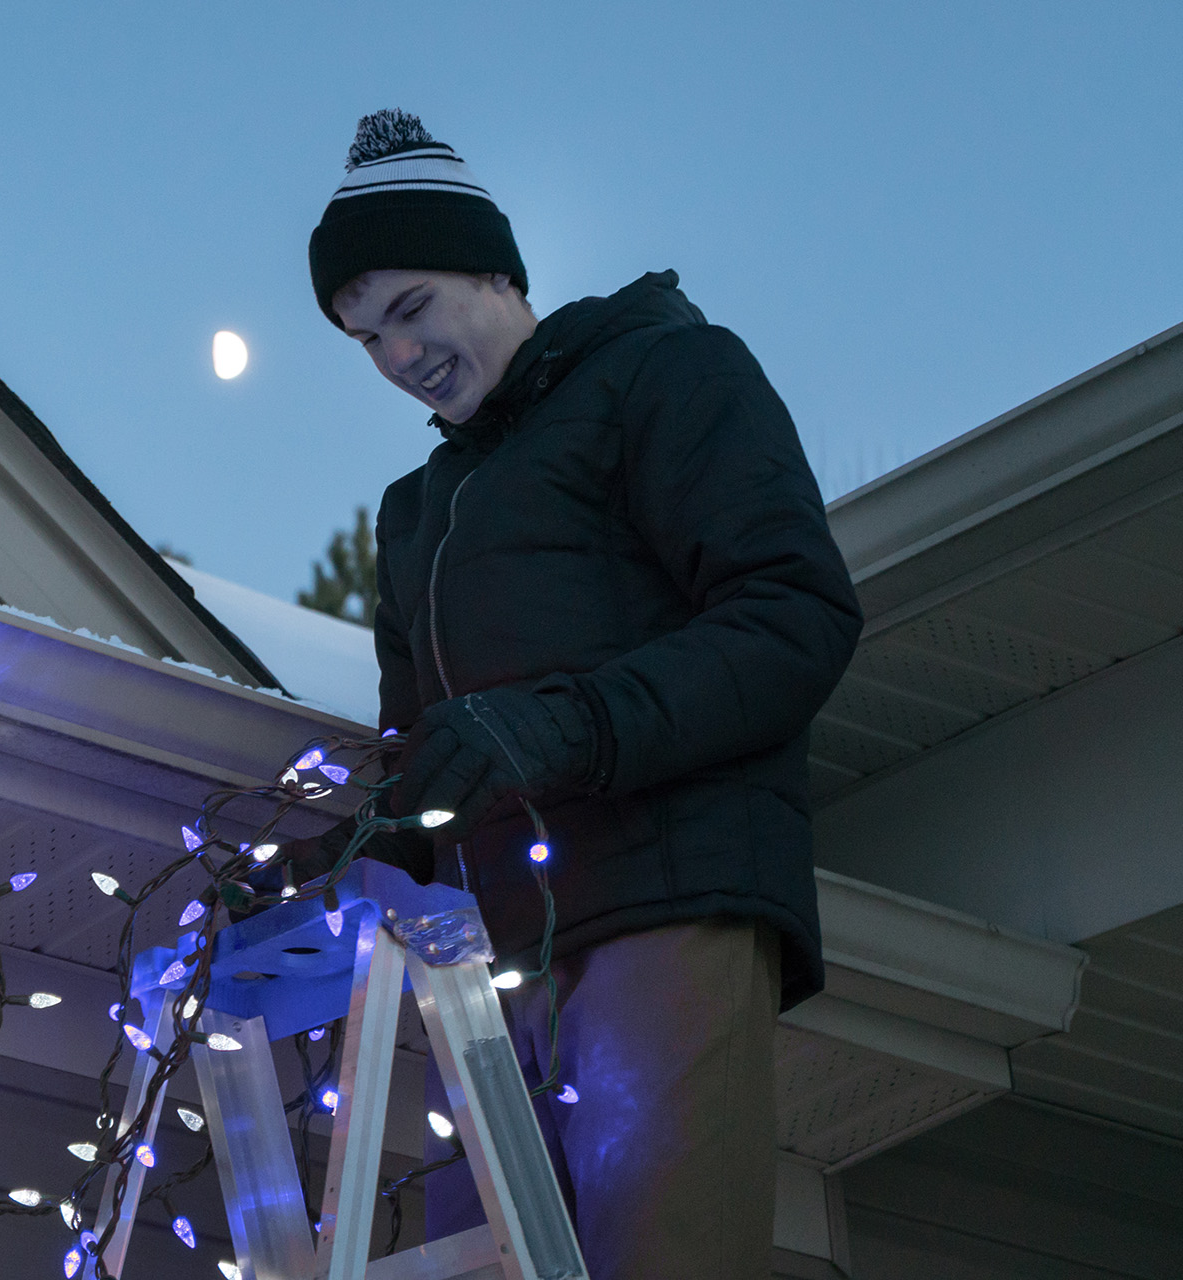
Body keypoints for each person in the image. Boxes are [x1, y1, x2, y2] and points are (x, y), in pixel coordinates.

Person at [299, 110, 862, 1279]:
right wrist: (339, 854)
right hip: (490, 969)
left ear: (498, 270)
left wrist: (560, 725)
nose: (398, 357)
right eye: (364, 339)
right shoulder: (418, 511)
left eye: (411, 309)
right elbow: (425, 759)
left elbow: (793, 615)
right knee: (482, 1262)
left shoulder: (665, 372)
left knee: (660, 1254)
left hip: (664, 903)